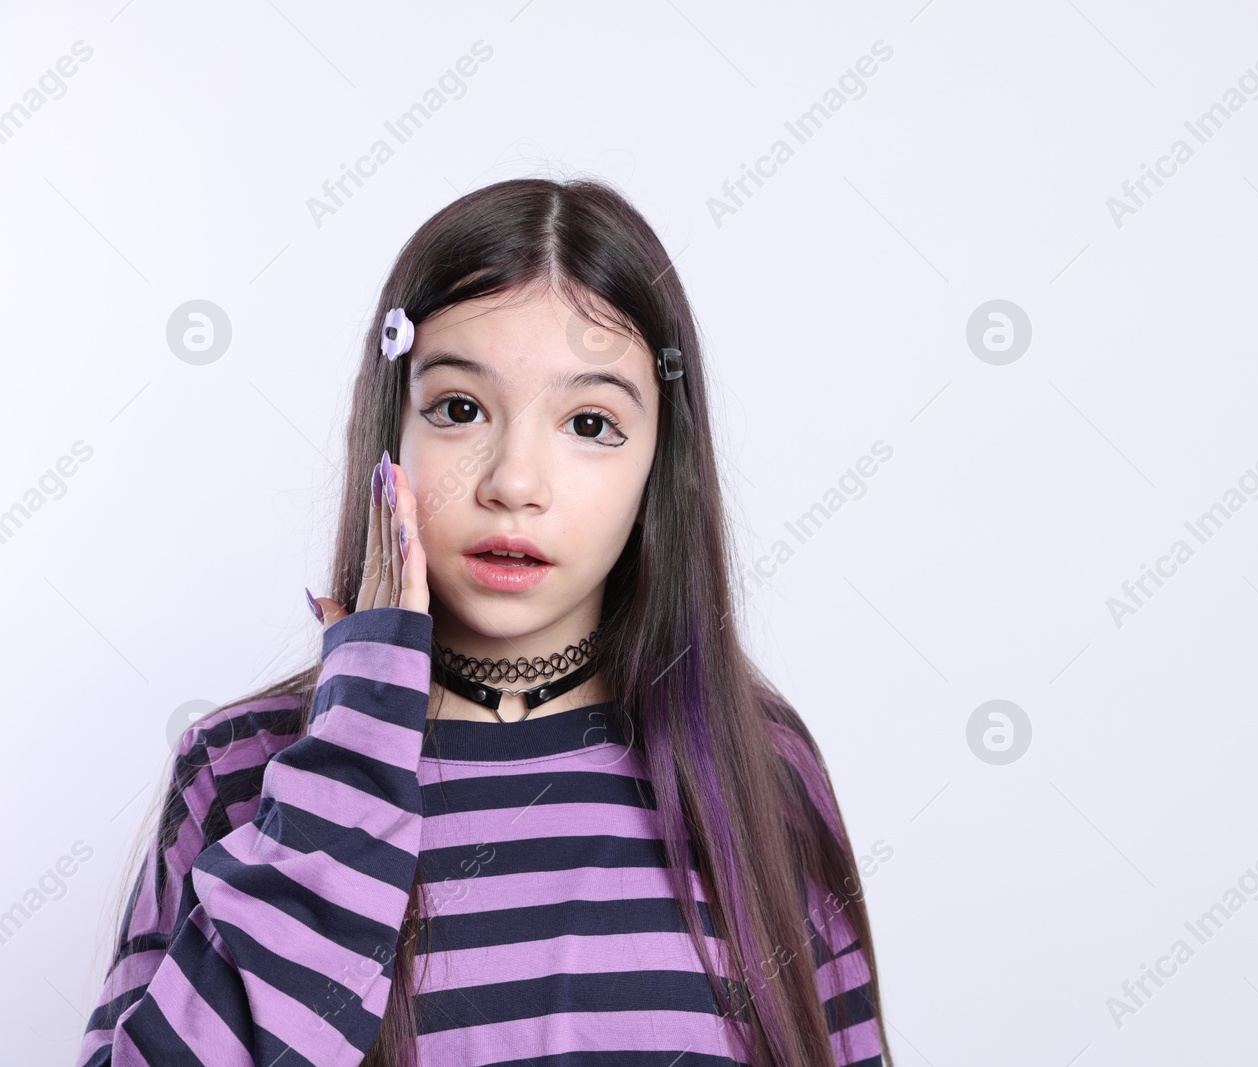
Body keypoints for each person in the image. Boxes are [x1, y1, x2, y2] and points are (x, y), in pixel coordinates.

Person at [73, 177, 890, 1067]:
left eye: (590, 422)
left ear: (662, 463)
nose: (513, 481)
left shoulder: (754, 773)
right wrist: (356, 742)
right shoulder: (240, 768)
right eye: (460, 409)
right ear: (393, 432)